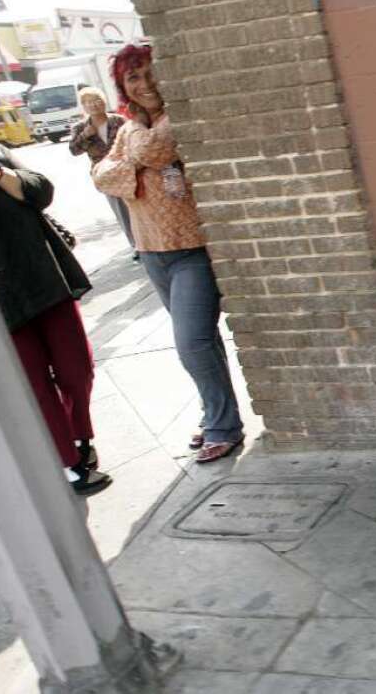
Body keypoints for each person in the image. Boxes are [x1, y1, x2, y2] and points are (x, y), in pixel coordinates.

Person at [91, 45, 245, 463]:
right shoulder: (128, 129)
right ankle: (217, 414)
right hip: (151, 252)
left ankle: (223, 425)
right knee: (203, 343)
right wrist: (134, 169)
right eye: (132, 80)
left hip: (190, 248)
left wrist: (135, 158)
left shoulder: (172, 117)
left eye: (148, 73)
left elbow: (157, 151)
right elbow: (101, 174)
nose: (145, 85)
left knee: (191, 343)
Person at [0, 93, 111, 495]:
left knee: (77, 369)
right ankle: (69, 462)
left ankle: (80, 437)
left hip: (44, 280)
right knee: (36, 385)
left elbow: (41, 191)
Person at [69, 86, 136, 258]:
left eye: (97, 100)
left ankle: (147, 241)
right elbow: (74, 150)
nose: (94, 105)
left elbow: (132, 140)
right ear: (83, 106)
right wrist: (85, 135)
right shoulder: (80, 127)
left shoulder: (118, 120)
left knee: (137, 204)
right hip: (105, 175)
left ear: (104, 101)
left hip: (126, 169)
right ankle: (136, 246)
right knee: (121, 210)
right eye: (89, 102)